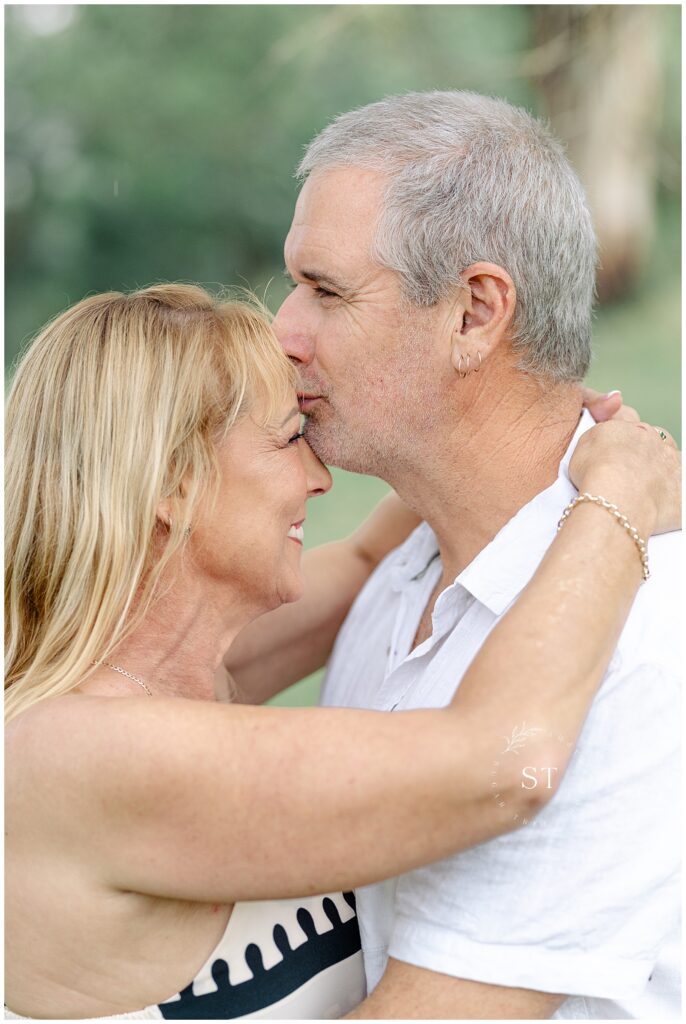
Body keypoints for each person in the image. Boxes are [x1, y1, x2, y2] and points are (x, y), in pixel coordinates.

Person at [4, 284, 679, 1020]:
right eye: (292, 437)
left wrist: (520, 416)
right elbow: (502, 760)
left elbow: (365, 557)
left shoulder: (173, 676)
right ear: (173, 481)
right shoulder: (79, 753)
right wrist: (619, 493)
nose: (319, 478)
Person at [230, 91, 681, 1019]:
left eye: (326, 290)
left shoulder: (643, 636)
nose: (283, 333)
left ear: (476, 313)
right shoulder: (399, 574)